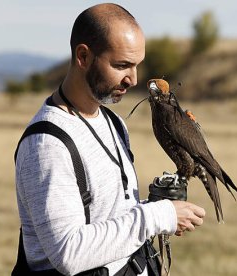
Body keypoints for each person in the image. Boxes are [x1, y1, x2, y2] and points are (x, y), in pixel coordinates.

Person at [12, 3, 205, 276]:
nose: (134, 79)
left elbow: (113, 217)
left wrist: (157, 211)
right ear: (83, 57)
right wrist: (158, 216)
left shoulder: (112, 122)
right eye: (122, 65)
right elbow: (68, 253)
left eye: (137, 65)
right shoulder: (46, 145)